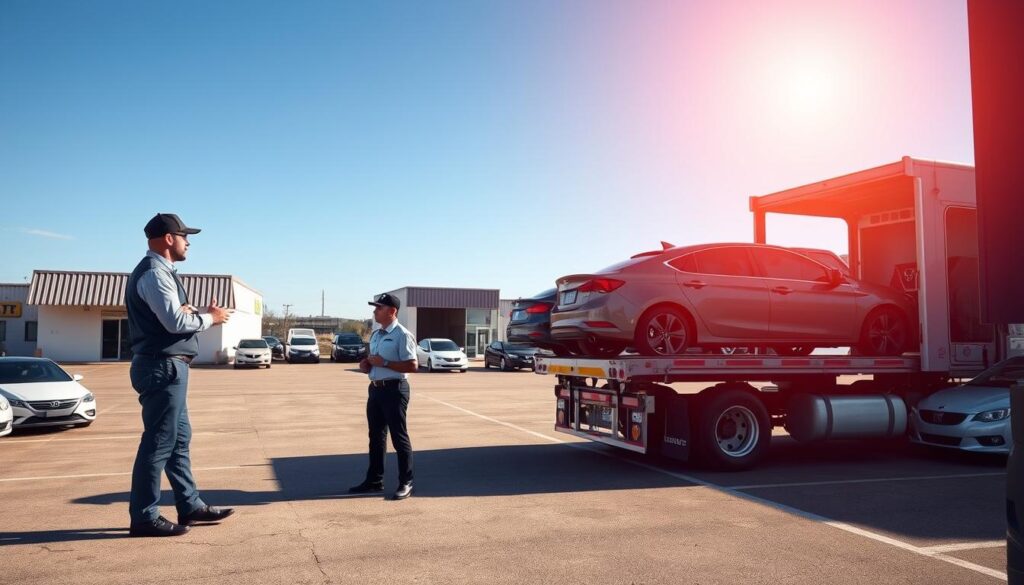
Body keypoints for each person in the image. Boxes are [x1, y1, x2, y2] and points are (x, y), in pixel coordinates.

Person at [125, 213, 235, 537]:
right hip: (162, 366)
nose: (188, 242)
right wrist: (210, 318)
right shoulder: (155, 273)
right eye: (185, 236)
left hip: (168, 365)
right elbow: (174, 322)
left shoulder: (161, 273)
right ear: (169, 238)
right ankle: (144, 516)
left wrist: (193, 313)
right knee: (158, 442)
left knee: (178, 439)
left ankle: (190, 505)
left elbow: (173, 316)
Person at [349, 293, 418, 500]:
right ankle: (374, 481)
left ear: (392, 311)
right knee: (376, 437)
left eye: (379, 308)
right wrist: (366, 365)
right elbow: (374, 361)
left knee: (399, 436)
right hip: (376, 389)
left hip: (394, 390)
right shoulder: (377, 335)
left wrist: (385, 364)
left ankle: (406, 482)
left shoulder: (402, 335)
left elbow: (412, 365)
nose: (374, 311)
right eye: (375, 307)